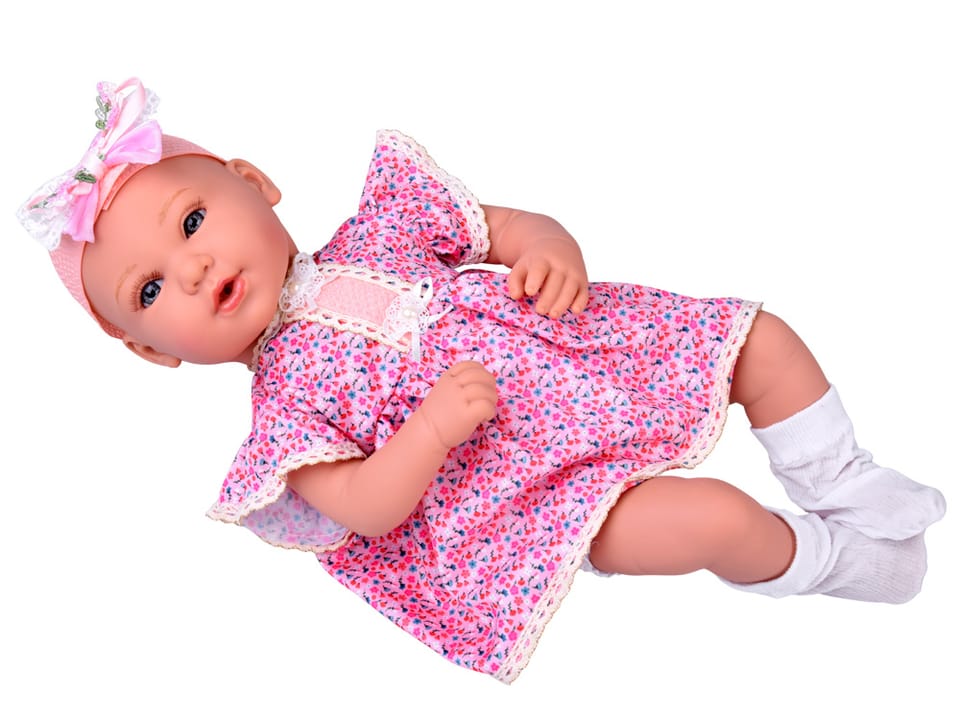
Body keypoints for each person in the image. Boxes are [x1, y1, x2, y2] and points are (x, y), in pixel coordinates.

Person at [18, 78, 946, 683]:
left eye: (190, 222)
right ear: (152, 351)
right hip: (528, 497)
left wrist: (550, 250)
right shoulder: (287, 412)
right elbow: (364, 508)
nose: (189, 269)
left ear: (253, 182)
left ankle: (841, 480)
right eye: (149, 291)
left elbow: (505, 227)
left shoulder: (386, 224)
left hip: (586, 359)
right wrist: (425, 435)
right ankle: (839, 563)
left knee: (762, 341)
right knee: (714, 520)